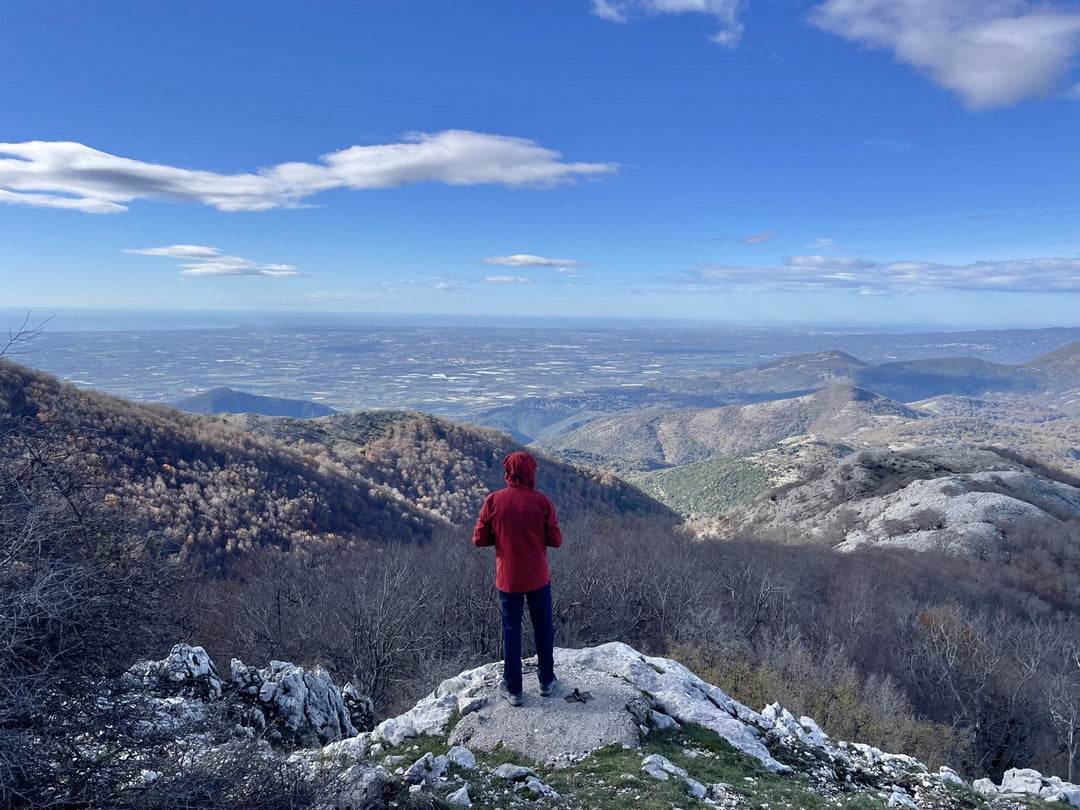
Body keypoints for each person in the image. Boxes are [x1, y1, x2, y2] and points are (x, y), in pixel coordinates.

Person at [472, 451, 563, 707]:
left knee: (510, 631)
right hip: (537, 576)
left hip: (508, 577)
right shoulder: (542, 502)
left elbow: (479, 539)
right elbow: (556, 540)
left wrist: (501, 539)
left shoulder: (494, 501)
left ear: (508, 472)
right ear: (530, 472)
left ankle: (513, 689)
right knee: (543, 627)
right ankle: (546, 680)